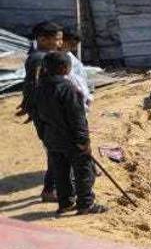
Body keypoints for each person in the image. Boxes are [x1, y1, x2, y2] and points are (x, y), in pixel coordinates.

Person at [33, 51, 105, 215]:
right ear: (65, 68)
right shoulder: (67, 89)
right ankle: (86, 204)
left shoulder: (39, 88)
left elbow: (37, 117)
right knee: (83, 171)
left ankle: (65, 202)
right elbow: (77, 118)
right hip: (72, 140)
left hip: (52, 139)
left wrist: (45, 137)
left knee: (61, 172)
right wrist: (83, 141)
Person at [17, 21, 63, 202]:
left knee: (57, 149)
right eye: (57, 39)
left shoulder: (44, 56)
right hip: (47, 115)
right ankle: (49, 189)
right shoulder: (39, 59)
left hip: (46, 113)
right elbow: (34, 87)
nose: (60, 43)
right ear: (43, 39)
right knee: (56, 150)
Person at [60, 29, 94, 109]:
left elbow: (80, 77)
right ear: (62, 41)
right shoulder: (52, 59)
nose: (74, 48)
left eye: (75, 45)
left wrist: (88, 95)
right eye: (71, 44)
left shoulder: (70, 57)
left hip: (79, 99)